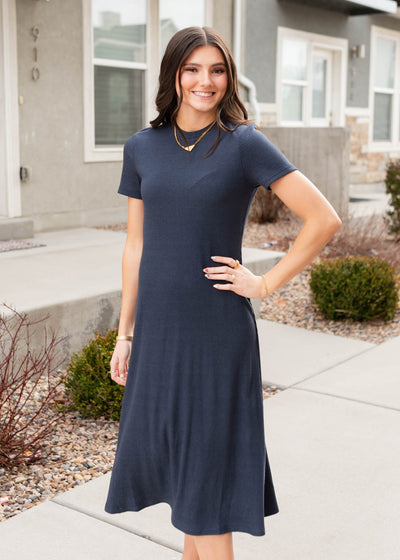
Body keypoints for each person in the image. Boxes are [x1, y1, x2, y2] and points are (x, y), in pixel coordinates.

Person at [104, 26, 341, 560]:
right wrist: (125, 334)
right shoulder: (142, 148)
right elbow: (136, 246)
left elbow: (324, 220)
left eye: (216, 70)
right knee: (189, 495)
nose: (204, 81)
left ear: (228, 78)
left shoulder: (242, 144)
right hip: (160, 336)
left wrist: (265, 283)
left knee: (208, 497)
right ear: (174, 75)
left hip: (216, 335)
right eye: (192, 69)